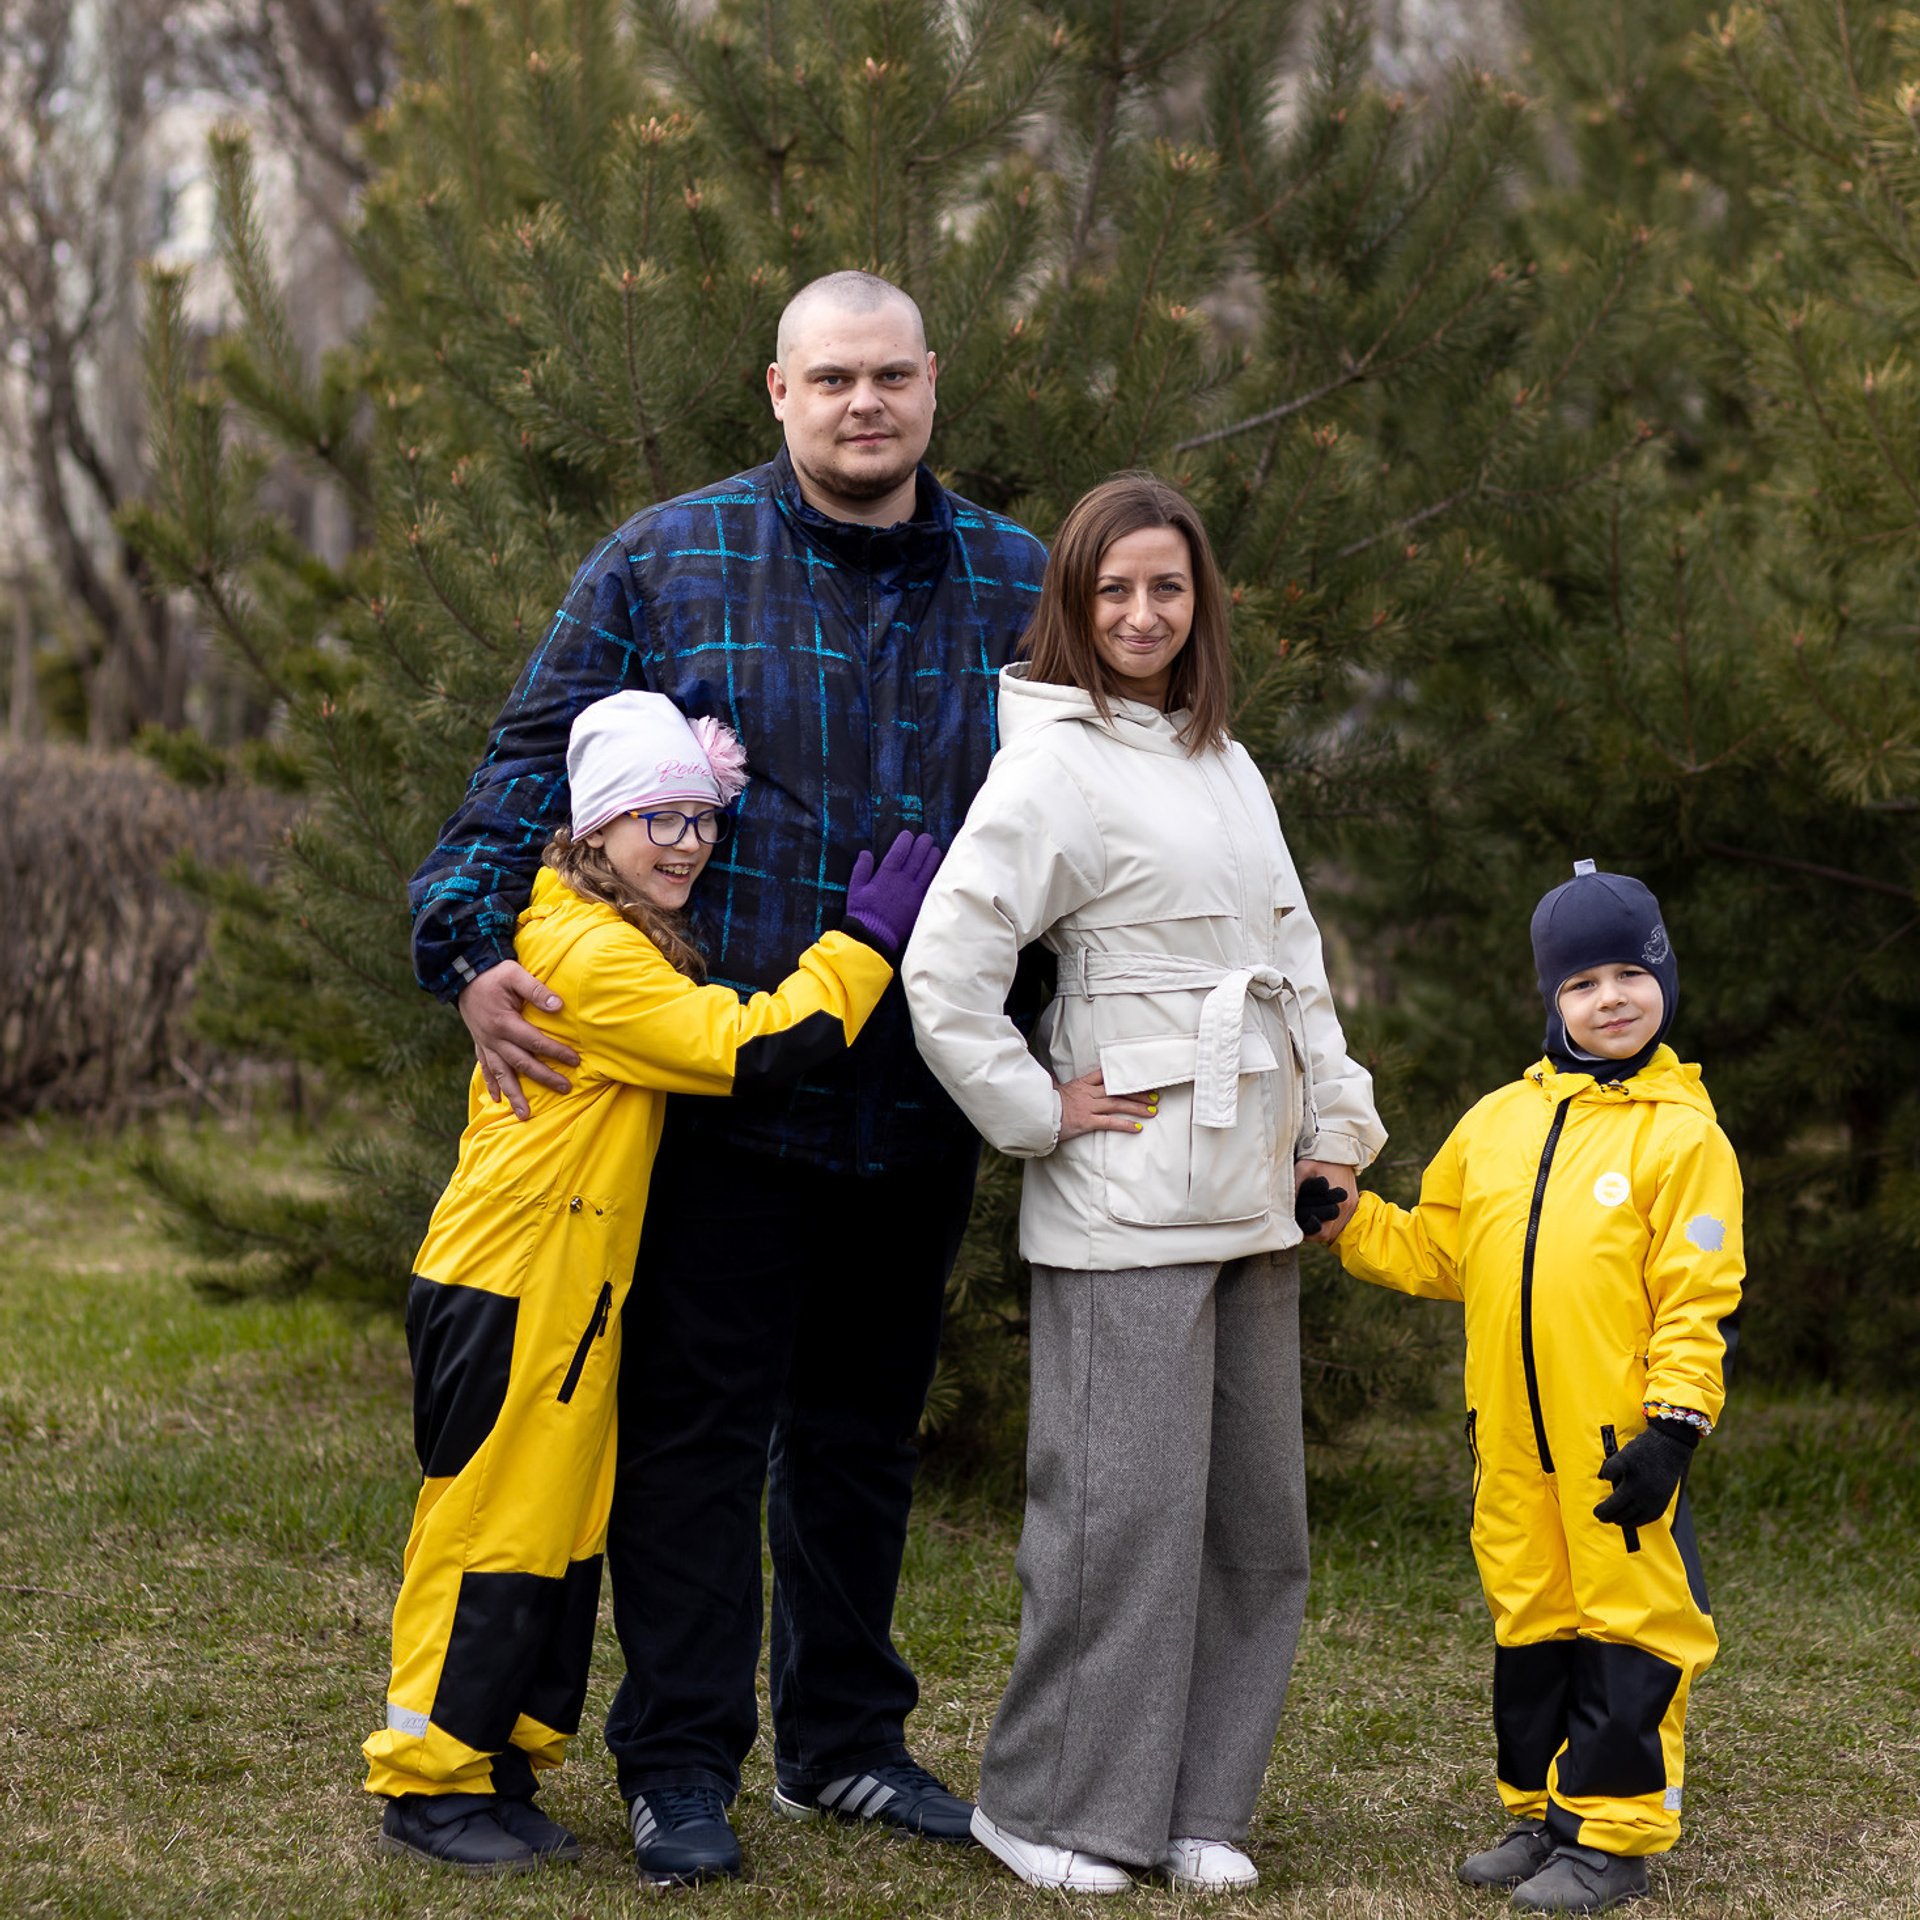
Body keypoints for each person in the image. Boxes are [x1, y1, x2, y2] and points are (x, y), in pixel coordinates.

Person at [405, 270, 1047, 1883]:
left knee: (859, 1435)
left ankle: (846, 1743)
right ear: (778, 390)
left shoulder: (1018, 584)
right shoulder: (666, 561)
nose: (863, 405)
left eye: (890, 377)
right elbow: (519, 772)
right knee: (695, 1434)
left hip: (917, 1093)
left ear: (931, 383)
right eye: (831, 379)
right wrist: (469, 950)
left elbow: (1098, 823)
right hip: (720, 1110)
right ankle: (680, 1759)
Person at [901, 471, 1386, 1894]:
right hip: (1126, 1199)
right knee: (1120, 1522)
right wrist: (1035, 1109)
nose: (1141, 611)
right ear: (1072, 601)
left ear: (1200, 603)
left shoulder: (1225, 761)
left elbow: (1295, 964)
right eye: (1113, 588)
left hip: (1252, 1188)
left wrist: (1336, 1128)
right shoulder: (1052, 765)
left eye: (1166, 587)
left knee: (1250, 1527)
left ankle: (1196, 1808)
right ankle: (1049, 1807)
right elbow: (947, 968)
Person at [367, 690, 944, 1874]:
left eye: (700, 819)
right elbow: (755, 1047)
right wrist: (865, 944)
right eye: (655, 820)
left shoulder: (600, 921)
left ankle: (499, 1760)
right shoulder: (593, 955)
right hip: (513, 1289)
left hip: (563, 1294)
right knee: (487, 1536)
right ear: (597, 827)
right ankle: (428, 1785)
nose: (686, 844)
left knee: (553, 1536)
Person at [1322, 862, 1744, 1914]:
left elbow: (1701, 1299)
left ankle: (1612, 1836)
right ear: (1551, 999)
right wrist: (1348, 1223)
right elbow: (1441, 1250)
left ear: (1664, 979)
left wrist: (1674, 1432)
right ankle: (1543, 1811)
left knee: (1630, 1625)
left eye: (1630, 974)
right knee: (1532, 1619)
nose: (1611, 998)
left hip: (1619, 1444)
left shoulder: (1684, 1138)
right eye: (1582, 982)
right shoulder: (1497, 1123)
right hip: (1510, 1439)